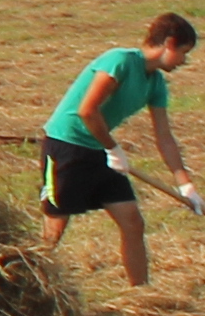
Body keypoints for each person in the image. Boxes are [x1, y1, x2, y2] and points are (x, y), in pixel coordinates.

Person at [41, 15, 201, 288]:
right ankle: (27, 283)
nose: (184, 61)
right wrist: (113, 148)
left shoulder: (156, 84)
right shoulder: (120, 61)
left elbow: (164, 137)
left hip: (101, 149)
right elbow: (87, 110)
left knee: (132, 222)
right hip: (67, 146)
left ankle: (141, 294)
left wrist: (185, 184)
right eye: (184, 53)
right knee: (55, 227)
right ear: (169, 44)